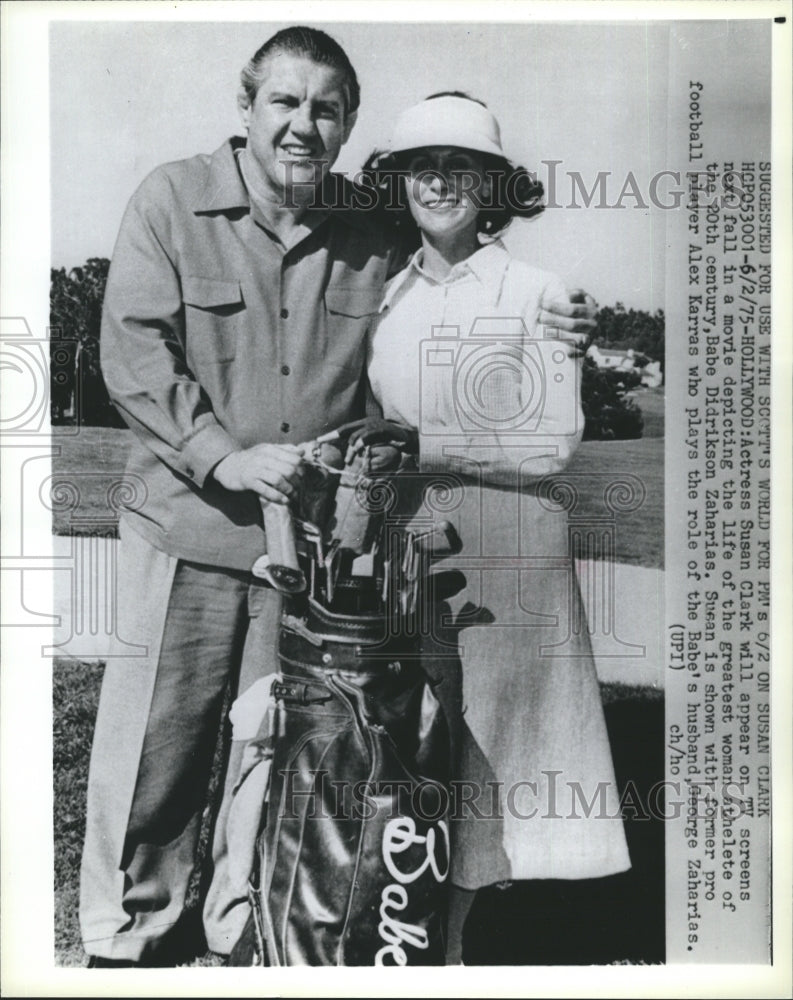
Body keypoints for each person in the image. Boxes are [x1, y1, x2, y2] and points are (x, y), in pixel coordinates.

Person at [80, 28, 598, 967]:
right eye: (284, 102)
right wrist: (221, 458)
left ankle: (249, 926)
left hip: (313, 551)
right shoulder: (171, 198)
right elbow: (132, 353)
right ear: (246, 107)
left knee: (275, 750)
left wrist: (566, 317)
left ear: (348, 124)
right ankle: (131, 936)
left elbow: (465, 254)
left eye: (325, 109)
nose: (302, 125)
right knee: (158, 749)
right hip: (190, 522)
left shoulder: (371, 229)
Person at [356, 93, 632, 963]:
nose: (438, 182)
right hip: (411, 534)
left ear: (493, 185)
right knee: (420, 731)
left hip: (511, 543)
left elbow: (550, 444)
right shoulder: (386, 294)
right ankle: (407, 921)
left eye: (459, 166)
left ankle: (456, 946)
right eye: (419, 167)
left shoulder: (538, 292)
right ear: (398, 183)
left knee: (492, 739)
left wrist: (420, 444)